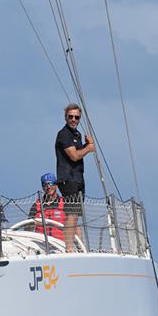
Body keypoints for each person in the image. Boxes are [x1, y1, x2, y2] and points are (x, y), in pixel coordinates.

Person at [55, 103, 95, 252]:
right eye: (70, 117)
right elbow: (74, 156)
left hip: (78, 178)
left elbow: (79, 150)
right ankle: (69, 248)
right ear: (65, 117)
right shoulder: (63, 134)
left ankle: (79, 247)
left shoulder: (76, 135)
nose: (73, 119)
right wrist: (89, 148)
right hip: (68, 178)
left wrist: (86, 144)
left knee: (76, 214)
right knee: (71, 213)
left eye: (76, 117)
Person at [28, 173, 66, 242]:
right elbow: (28, 228)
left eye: (51, 184)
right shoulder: (36, 205)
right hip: (40, 245)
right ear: (42, 187)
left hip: (61, 246)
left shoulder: (64, 203)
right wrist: (34, 223)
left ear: (56, 185)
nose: (48, 187)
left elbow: (74, 226)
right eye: (45, 184)